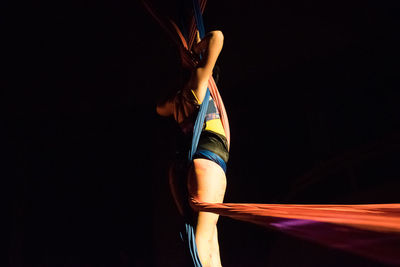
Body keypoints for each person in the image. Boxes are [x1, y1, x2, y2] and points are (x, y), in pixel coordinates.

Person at [156, 30, 227, 267]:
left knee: (210, 239)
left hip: (196, 166)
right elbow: (218, 37)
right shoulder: (198, 83)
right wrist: (196, 52)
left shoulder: (179, 100)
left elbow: (159, 108)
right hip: (208, 163)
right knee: (204, 239)